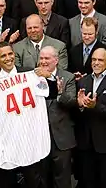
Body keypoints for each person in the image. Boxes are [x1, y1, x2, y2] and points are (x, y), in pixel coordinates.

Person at [0, 41, 58, 188]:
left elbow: (51, 93)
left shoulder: (30, 73)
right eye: (3, 56)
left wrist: (49, 77)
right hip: (7, 142)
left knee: (34, 181)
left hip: (29, 140)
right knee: (7, 182)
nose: (8, 58)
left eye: (10, 54)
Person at [76, 48, 106, 188]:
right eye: (93, 60)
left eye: (100, 60)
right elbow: (78, 113)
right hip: (86, 142)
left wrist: (95, 106)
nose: (96, 63)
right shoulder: (83, 82)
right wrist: (79, 105)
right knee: (88, 181)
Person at [40, 46, 76, 188]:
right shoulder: (32, 77)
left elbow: (72, 102)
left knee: (62, 180)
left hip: (61, 138)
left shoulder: (68, 77)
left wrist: (60, 92)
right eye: (41, 58)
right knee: (42, 179)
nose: (43, 61)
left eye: (47, 58)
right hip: (40, 138)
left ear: (56, 60)